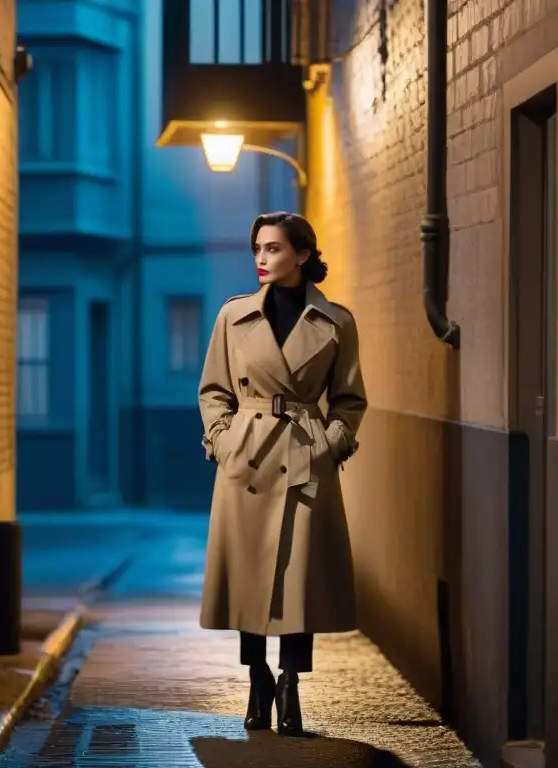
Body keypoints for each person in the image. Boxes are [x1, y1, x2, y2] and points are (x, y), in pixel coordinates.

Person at [197, 211, 368, 737]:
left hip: (304, 457)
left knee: (300, 583)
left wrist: (329, 446)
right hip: (247, 457)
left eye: (272, 249)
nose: (261, 260)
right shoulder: (234, 317)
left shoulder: (336, 321)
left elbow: (349, 398)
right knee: (251, 578)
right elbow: (213, 391)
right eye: (257, 249)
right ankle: (258, 680)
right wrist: (224, 442)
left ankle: (291, 683)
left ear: (301, 253)